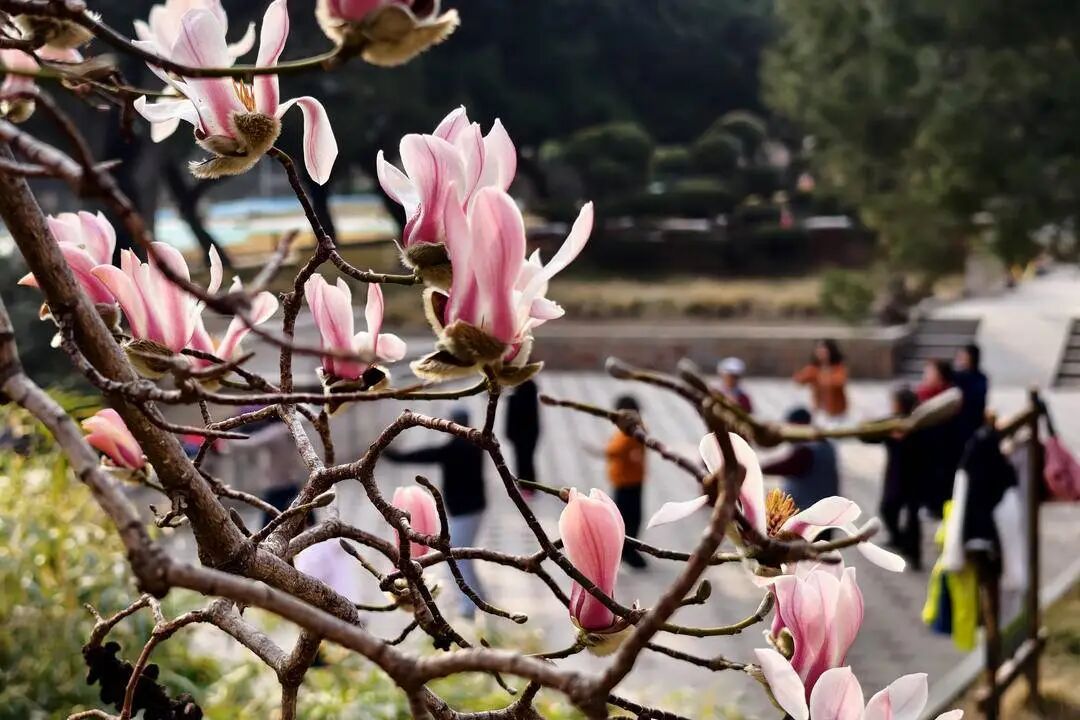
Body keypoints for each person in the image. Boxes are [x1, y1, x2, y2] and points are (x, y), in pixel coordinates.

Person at [384, 407, 487, 617]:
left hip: (465, 512)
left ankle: (469, 607)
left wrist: (395, 456)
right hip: (473, 509)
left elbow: (427, 454)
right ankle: (480, 598)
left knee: (457, 558)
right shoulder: (475, 445)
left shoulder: (457, 448)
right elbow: (431, 454)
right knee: (463, 557)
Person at [863, 386, 926, 570]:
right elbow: (870, 435)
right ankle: (899, 540)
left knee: (912, 516)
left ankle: (913, 554)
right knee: (888, 509)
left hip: (915, 475)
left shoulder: (919, 424)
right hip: (895, 476)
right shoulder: (891, 423)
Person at [761, 407, 839, 518]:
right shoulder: (824, 445)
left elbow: (788, 466)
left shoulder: (808, 449)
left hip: (808, 514)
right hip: (824, 513)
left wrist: (756, 467)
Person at [604, 395, 647, 568]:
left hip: (626, 482)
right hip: (630, 480)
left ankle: (626, 550)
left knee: (627, 518)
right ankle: (626, 551)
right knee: (630, 517)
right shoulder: (638, 429)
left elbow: (613, 450)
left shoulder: (628, 434)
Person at [793, 339, 848, 423]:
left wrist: (824, 376)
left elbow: (839, 382)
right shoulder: (813, 369)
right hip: (819, 411)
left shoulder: (838, 368)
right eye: (819, 350)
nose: (821, 352)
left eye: (824, 350)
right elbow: (799, 380)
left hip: (837, 412)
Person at [505, 379, 541, 496]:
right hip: (520, 433)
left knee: (525, 459)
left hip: (526, 433)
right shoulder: (518, 390)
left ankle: (528, 485)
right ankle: (524, 484)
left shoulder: (527, 389)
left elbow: (524, 412)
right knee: (522, 459)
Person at [953, 343, 989, 446]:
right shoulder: (957, 376)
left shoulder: (979, 379)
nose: (959, 359)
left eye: (962, 356)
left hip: (971, 424)